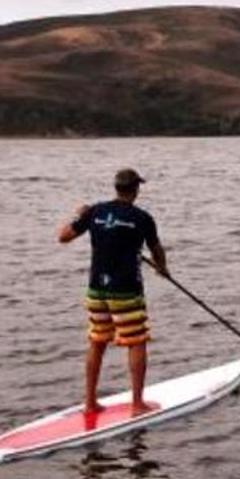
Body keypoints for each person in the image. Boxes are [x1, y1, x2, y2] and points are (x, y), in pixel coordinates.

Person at [57, 168, 168, 416]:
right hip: (125, 290)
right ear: (136, 189)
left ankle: (90, 403)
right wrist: (163, 269)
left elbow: (63, 236)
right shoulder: (142, 218)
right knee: (136, 342)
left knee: (97, 342)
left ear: (116, 188)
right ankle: (137, 404)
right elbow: (156, 248)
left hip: (97, 289)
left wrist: (79, 215)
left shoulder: (95, 212)